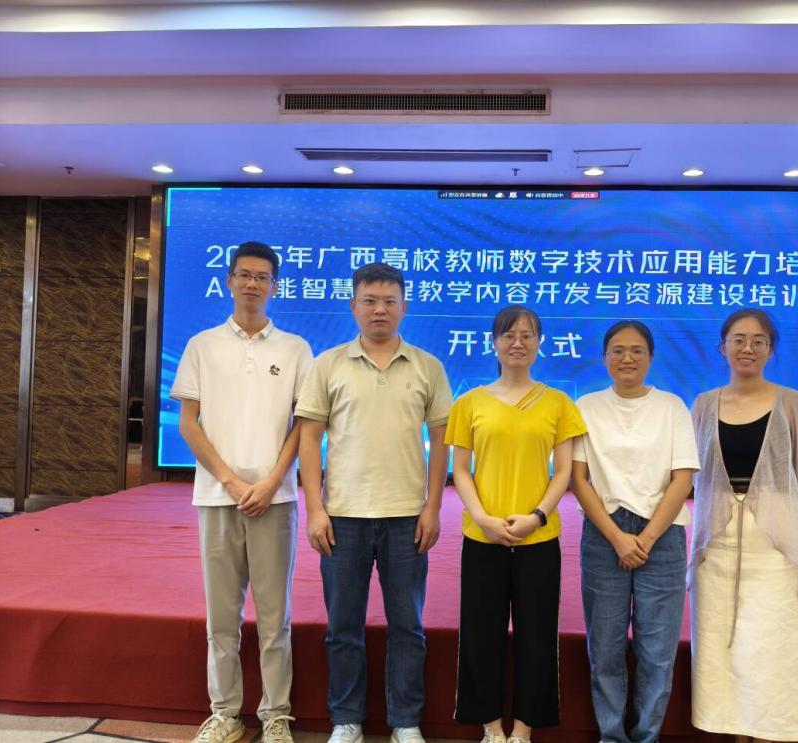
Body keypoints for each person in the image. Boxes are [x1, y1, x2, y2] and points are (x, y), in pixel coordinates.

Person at [295, 263, 451, 743]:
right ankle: (347, 719)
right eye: (369, 301)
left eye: (389, 301)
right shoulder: (328, 364)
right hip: (343, 517)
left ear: (404, 307)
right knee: (343, 626)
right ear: (353, 306)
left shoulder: (427, 366)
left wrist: (432, 508)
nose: (379, 309)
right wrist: (315, 509)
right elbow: (309, 439)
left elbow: (441, 442)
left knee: (408, 626)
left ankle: (405, 721)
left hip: (407, 518)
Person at [172, 241, 314, 743]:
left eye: (262, 277)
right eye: (244, 275)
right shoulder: (202, 345)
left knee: (275, 616)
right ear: (229, 280)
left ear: (275, 286)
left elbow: (303, 424)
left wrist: (272, 481)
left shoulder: (295, 349)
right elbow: (189, 424)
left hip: (275, 500)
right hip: (217, 498)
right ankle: (225, 713)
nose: (253, 283)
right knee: (222, 616)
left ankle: (276, 715)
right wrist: (231, 482)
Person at [445, 306, 587, 743]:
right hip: (482, 536)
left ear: (540, 343)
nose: (518, 343)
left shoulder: (558, 403)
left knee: (537, 635)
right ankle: (490, 726)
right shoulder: (469, 402)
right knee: (480, 634)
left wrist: (537, 517)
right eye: (508, 335)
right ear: (494, 343)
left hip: (538, 538)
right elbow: (461, 470)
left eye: (527, 335)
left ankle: (524, 728)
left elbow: (563, 471)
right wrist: (482, 518)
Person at [689, 308, 798, 743]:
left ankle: (772, 730)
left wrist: (786, 526)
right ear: (722, 347)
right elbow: (694, 473)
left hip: (775, 543)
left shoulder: (792, 403)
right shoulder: (704, 404)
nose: (748, 348)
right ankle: (732, 730)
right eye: (739, 340)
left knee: (771, 639)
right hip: (715, 541)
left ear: (770, 350)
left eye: (758, 341)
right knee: (719, 638)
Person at [571, 320, 699, 743]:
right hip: (604, 534)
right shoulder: (586, 407)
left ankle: (647, 736)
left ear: (651, 357)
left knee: (657, 652)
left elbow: (683, 480)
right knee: (605, 648)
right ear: (604, 357)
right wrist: (617, 537)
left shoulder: (672, 407)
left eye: (637, 350)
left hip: (662, 536)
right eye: (618, 350)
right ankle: (611, 735)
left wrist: (644, 539)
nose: (627, 358)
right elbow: (579, 479)